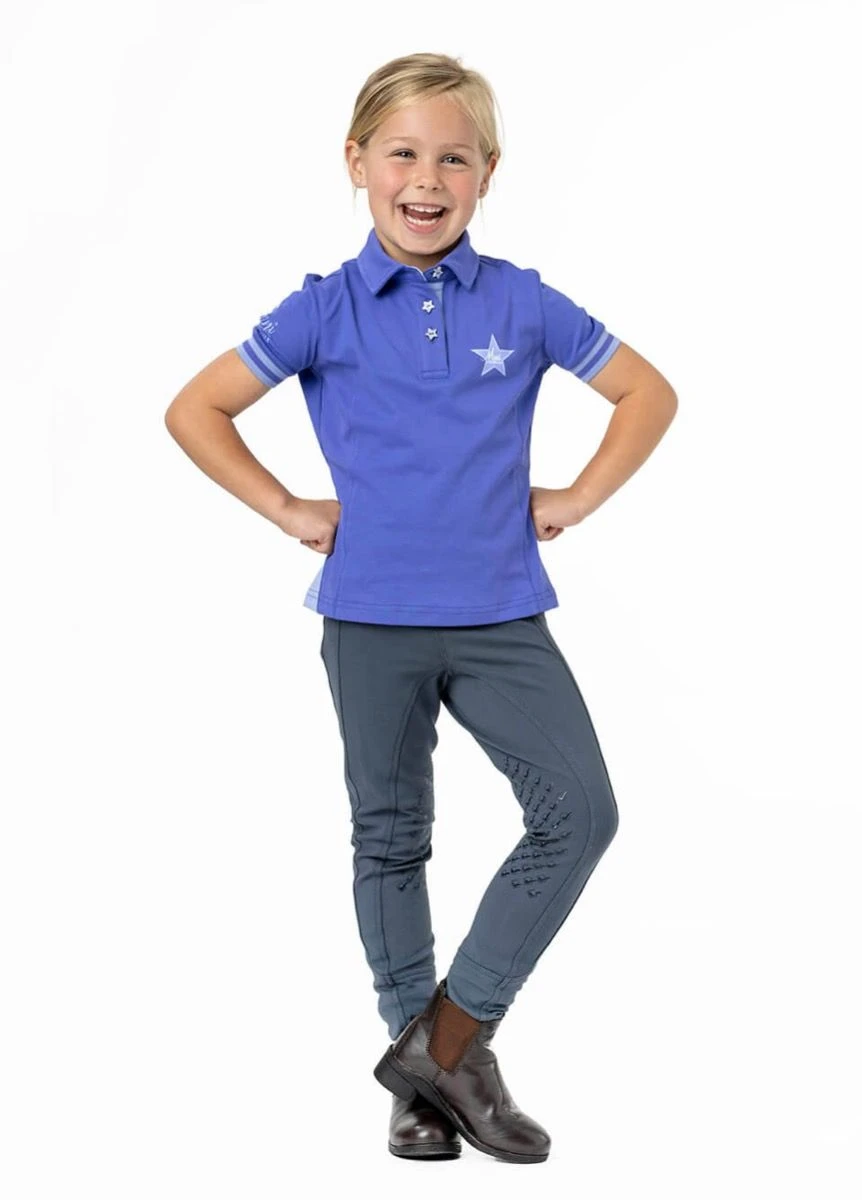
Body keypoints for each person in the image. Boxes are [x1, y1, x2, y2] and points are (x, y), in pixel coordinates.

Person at [165, 51, 677, 1166]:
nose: (427, 180)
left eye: (454, 158)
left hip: (499, 615)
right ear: (357, 163)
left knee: (579, 811)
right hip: (369, 620)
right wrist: (286, 507)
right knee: (391, 839)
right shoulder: (323, 309)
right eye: (403, 154)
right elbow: (196, 408)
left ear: (488, 172)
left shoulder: (522, 301)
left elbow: (647, 390)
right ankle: (423, 1085)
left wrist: (577, 498)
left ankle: (447, 1044)